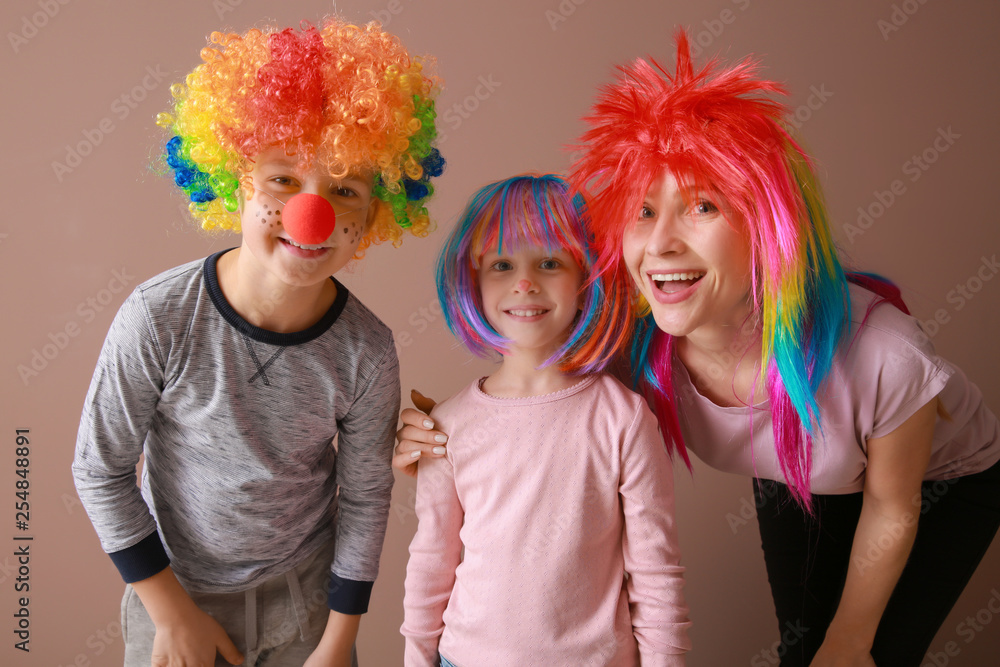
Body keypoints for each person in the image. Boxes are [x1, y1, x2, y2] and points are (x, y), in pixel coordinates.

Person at [395, 32, 1000, 667]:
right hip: (799, 465)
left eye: (702, 206)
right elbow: (529, 405)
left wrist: (849, 642)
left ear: (767, 227)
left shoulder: (885, 358)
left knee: (860, 653)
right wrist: (434, 436)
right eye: (643, 211)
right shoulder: (632, 343)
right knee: (802, 647)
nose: (661, 243)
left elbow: (892, 505)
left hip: (937, 484)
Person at [72, 18, 443, 667]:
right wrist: (171, 614)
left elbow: (364, 498)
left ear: (373, 217)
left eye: (344, 190)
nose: (311, 214)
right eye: (282, 180)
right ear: (235, 181)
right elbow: (99, 468)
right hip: (171, 597)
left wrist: (338, 642)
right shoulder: (158, 316)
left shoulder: (367, 349)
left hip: (307, 609)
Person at [399, 174, 692, 666]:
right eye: (502, 264)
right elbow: (432, 561)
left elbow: (655, 571)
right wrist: (415, 658)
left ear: (586, 279)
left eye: (550, 263)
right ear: (474, 281)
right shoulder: (446, 426)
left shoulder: (623, 419)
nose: (525, 282)